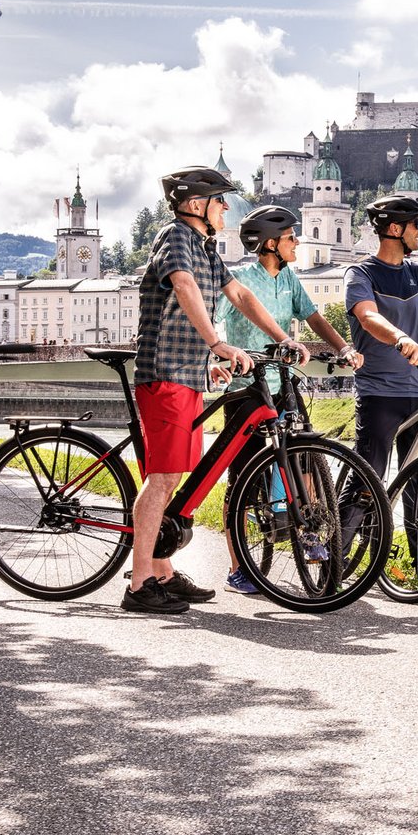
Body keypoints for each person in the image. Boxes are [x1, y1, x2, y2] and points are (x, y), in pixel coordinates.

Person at [124, 166, 306, 615]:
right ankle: (139, 582)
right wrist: (217, 343)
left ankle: (162, 571)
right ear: (195, 204)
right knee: (164, 477)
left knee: (172, 475)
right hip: (163, 369)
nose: (226, 206)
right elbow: (183, 286)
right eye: (219, 199)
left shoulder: (204, 247)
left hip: (186, 373)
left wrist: (282, 338)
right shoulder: (175, 237)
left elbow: (240, 295)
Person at [217, 205, 362, 595]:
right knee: (242, 477)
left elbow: (314, 318)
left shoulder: (290, 279)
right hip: (245, 388)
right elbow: (215, 320)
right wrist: (222, 351)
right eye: (290, 238)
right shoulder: (239, 279)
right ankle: (238, 568)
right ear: (269, 244)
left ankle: (312, 534)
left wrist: (343, 348)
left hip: (282, 382)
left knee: (306, 459)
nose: (297, 242)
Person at [343, 194, 418, 580]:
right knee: (367, 479)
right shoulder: (360, 273)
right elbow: (367, 316)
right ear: (394, 229)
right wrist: (400, 337)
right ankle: (333, 561)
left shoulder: (417, 272)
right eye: (415, 225)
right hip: (378, 394)